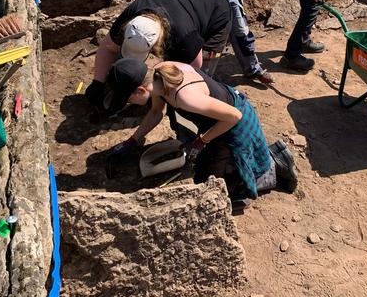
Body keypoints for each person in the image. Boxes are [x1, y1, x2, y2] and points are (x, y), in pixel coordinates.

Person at [102, 58, 298, 200]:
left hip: (234, 124)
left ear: (140, 90)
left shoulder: (184, 97)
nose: (130, 104)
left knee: (220, 193)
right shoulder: (159, 74)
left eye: (128, 99)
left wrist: (202, 141)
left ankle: (276, 164)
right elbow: (155, 112)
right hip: (218, 121)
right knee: (203, 175)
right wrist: (132, 141)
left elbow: (234, 117)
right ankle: (263, 156)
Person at [85, 0, 232, 110]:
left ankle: (202, 106)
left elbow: (193, 68)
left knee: (195, 79)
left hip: (216, 11)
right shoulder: (132, 17)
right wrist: (98, 82)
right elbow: (107, 47)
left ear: (156, 44)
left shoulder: (184, 36)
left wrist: (159, 94)